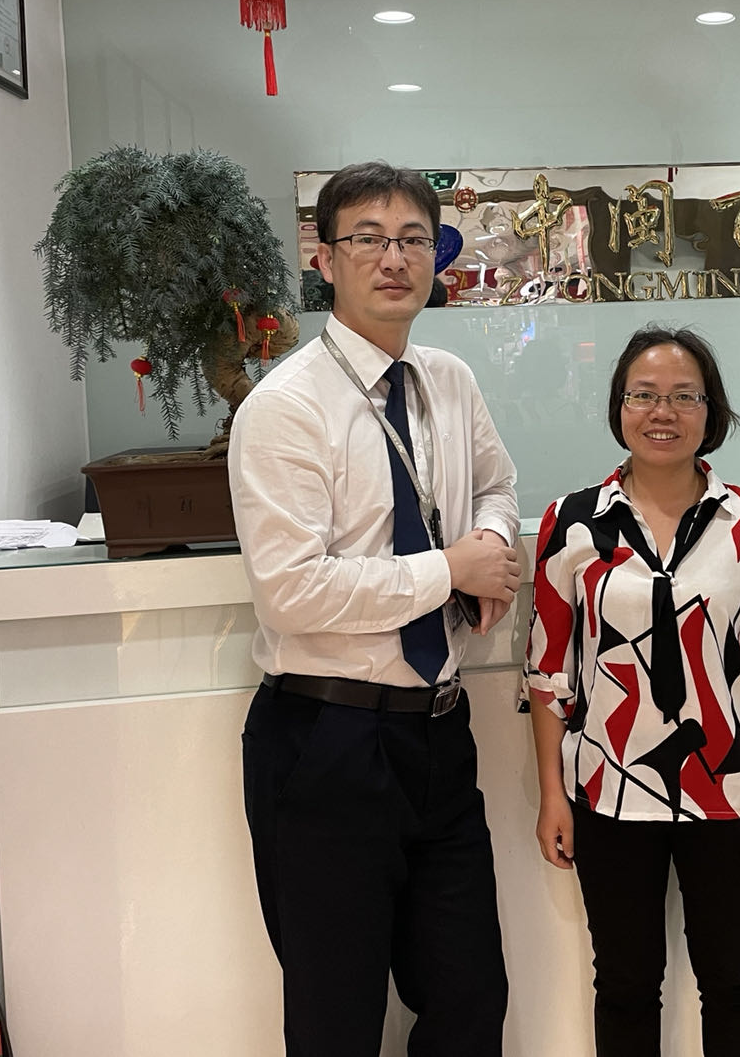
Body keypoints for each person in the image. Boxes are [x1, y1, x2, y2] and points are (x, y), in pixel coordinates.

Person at [229, 161, 523, 1057]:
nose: (393, 259)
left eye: (412, 240)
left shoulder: (449, 380)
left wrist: (489, 550)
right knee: (337, 1021)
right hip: (327, 740)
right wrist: (449, 571)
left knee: (471, 1001)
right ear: (324, 258)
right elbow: (293, 589)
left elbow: (498, 486)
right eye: (367, 239)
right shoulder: (284, 407)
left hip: (440, 734)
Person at [524, 325, 740, 1057]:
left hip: (729, 791)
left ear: (709, 411)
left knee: (733, 980)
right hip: (606, 791)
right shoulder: (571, 524)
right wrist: (552, 795)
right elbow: (547, 673)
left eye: (683, 397)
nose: (662, 412)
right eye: (644, 395)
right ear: (619, 407)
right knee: (624, 985)